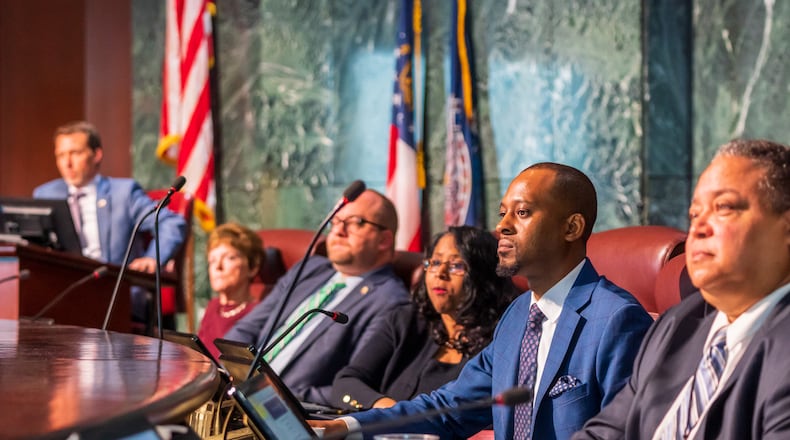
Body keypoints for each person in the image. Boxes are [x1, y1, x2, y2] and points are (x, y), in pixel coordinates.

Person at [315, 162, 654, 439]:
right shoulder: (520, 314)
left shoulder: (616, 319)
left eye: (521, 213)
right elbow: (450, 407)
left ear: (572, 227)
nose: (501, 226)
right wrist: (347, 426)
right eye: (502, 213)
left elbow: (623, 432)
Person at [572, 139, 790, 439]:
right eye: (694, 214)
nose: (698, 228)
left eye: (723, 207)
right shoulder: (677, 325)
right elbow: (605, 433)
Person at [224, 189, 411, 406]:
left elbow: (355, 383)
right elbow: (247, 328)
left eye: (355, 222)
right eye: (336, 220)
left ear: (384, 240)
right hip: (238, 393)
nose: (339, 230)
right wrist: (227, 369)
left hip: (289, 411)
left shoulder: (390, 301)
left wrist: (281, 394)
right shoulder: (309, 269)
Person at [331, 226, 518, 410]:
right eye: (435, 263)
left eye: (456, 266)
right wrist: (391, 412)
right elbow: (346, 382)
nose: (440, 274)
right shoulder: (406, 320)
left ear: (483, 276)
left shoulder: (503, 342)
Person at [33, 121, 186, 324]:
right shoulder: (45, 194)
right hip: (65, 294)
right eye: (61, 155)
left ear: (96, 155)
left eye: (75, 153)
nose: (67, 163)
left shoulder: (123, 192)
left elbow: (171, 223)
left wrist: (152, 258)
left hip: (116, 294)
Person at [198, 222, 265, 361]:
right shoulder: (212, 306)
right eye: (212, 260)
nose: (217, 266)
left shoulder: (259, 313)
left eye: (229, 258)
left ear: (252, 267)